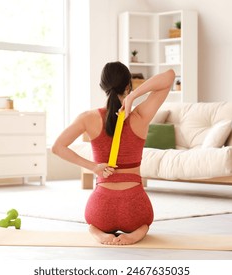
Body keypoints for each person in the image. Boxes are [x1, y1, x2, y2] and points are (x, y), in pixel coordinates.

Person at [52, 62, 175, 245]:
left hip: (100, 210)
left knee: (92, 224)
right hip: (134, 208)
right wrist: (134, 96)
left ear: (103, 87)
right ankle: (137, 233)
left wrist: (94, 167)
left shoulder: (88, 118)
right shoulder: (140, 116)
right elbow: (170, 76)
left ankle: (98, 233)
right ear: (128, 85)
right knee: (144, 223)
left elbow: (57, 147)